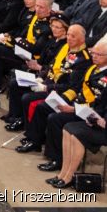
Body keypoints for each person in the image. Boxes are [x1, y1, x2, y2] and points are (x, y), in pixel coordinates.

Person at [45, 37, 107, 189]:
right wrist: (91, 115)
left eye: (98, 54)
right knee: (68, 128)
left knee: (77, 133)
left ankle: (69, 176)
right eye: (94, 53)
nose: (94, 56)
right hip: (96, 117)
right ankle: (64, 173)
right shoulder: (93, 69)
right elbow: (98, 103)